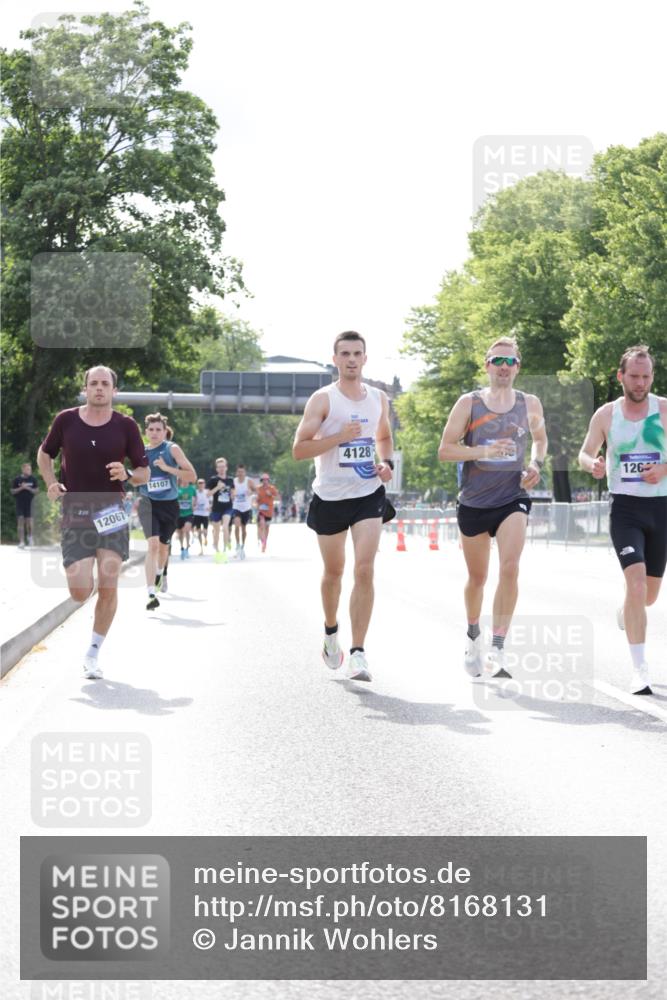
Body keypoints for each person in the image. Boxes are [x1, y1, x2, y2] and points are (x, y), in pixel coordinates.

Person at [438, 336, 547, 680]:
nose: (503, 367)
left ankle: (498, 648)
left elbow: (540, 440)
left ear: (518, 367)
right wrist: (483, 452)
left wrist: (536, 464)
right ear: (486, 365)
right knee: (477, 578)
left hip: (512, 496)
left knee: (510, 568)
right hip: (474, 501)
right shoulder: (468, 403)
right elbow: (445, 450)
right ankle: (473, 635)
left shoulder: (529, 404)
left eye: (509, 361)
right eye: (497, 361)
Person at [293, 331, 395, 682]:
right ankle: (330, 631)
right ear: (335, 359)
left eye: (357, 353)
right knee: (334, 572)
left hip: (368, 493)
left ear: (365, 358)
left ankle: (358, 653)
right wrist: (339, 437)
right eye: (345, 354)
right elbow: (299, 449)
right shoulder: (323, 400)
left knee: (364, 569)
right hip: (330, 497)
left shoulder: (378, 398)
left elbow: (384, 436)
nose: (352, 359)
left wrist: (386, 463)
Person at [37, 365, 149, 679]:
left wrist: (127, 473)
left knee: (109, 585)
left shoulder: (126, 426)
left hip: (111, 512)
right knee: (79, 591)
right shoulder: (66, 420)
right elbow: (45, 454)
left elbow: (144, 472)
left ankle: (93, 653)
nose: (99, 388)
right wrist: (50, 482)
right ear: (85, 389)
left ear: (114, 390)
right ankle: (85, 587)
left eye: (105, 384)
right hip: (76, 510)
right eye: (94, 383)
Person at [579, 344, 667, 695]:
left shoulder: (663, 410)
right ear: (621, 376)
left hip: (661, 508)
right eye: (634, 376)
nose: (640, 382)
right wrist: (594, 464)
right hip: (626, 509)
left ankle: (628, 609)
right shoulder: (606, 415)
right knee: (637, 584)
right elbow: (585, 452)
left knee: (648, 596)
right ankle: (639, 670)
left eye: (646, 376)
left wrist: (664, 468)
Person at [137, 413, 196, 610]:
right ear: (146, 432)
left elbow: (192, 476)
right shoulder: (140, 451)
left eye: (158, 430)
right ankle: (150, 593)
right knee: (153, 546)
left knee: (163, 548)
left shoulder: (172, 449)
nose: (154, 433)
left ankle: (161, 572)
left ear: (164, 432)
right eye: (151, 430)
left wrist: (167, 468)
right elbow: (133, 476)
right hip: (147, 503)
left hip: (169, 505)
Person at [207, 457, 235, 563]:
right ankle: (217, 550)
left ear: (226, 467)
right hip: (216, 508)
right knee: (216, 531)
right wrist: (218, 488)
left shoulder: (230, 480)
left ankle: (224, 551)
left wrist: (233, 494)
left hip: (227, 507)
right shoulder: (213, 480)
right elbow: (208, 494)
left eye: (223, 466)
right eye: (219, 467)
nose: (222, 469)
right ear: (217, 469)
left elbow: (233, 492)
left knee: (225, 526)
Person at [231, 464, 256, 559]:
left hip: (246, 508)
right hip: (236, 507)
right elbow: (231, 491)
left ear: (245, 472)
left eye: (242, 472)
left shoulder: (248, 481)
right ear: (236, 473)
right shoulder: (234, 481)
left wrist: (251, 492)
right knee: (237, 525)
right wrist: (232, 494)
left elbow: (255, 490)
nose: (240, 473)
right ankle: (237, 544)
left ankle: (243, 545)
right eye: (239, 472)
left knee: (244, 528)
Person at [11, 461, 39, 548]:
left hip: (30, 503)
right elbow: (12, 491)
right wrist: (21, 488)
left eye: (30, 469)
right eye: (27, 469)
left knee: (29, 522)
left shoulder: (33, 479)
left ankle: (30, 538)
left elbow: (36, 491)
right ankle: (21, 542)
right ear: (23, 469)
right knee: (20, 521)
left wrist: (28, 488)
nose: (29, 471)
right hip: (20, 503)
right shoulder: (17, 479)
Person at [255, 473, 281, 552]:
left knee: (267, 528)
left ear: (268, 480)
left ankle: (264, 543)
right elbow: (255, 499)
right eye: (263, 480)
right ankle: (262, 541)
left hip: (269, 511)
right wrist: (256, 501)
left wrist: (271, 495)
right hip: (261, 510)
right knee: (262, 524)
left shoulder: (272, 488)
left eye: (266, 480)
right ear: (261, 480)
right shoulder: (258, 488)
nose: (265, 481)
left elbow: (278, 498)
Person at [176, 480, 197, 558]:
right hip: (179, 514)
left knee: (186, 529)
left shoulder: (192, 488)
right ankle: (182, 548)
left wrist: (194, 505)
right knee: (180, 532)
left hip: (189, 513)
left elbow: (195, 498)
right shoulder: (177, 488)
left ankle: (187, 548)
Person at [192, 478, 211, 555]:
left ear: (204, 484)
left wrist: (210, 507)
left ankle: (205, 538)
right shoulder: (195, 492)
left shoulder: (207, 492)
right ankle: (201, 549)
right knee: (199, 532)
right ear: (197, 484)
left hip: (205, 514)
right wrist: (193, 506)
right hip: (197, 514)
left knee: (205, 531)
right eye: (199, 483)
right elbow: (192, 501)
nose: (201, 484)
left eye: (202, 483)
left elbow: (211, 502)